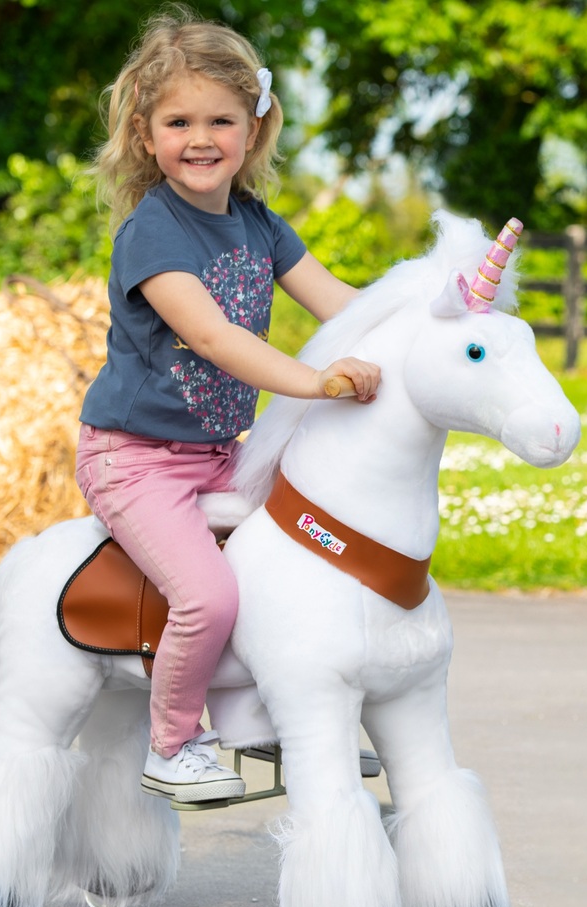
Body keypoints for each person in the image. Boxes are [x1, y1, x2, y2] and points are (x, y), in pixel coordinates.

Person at [75, 6, 381, 804]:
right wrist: (316, 382)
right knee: (207, 595)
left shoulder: (257, 223)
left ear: (255, 126)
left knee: (304, 562)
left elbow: (340, 304)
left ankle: (269, 725)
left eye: (222, 119)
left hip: (216, 452)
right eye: (179, 121)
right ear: (146, 136)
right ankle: (173, 744)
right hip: (135, 459)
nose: (201, 137)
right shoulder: (152, 232)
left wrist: (419, 318)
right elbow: (212, 337)